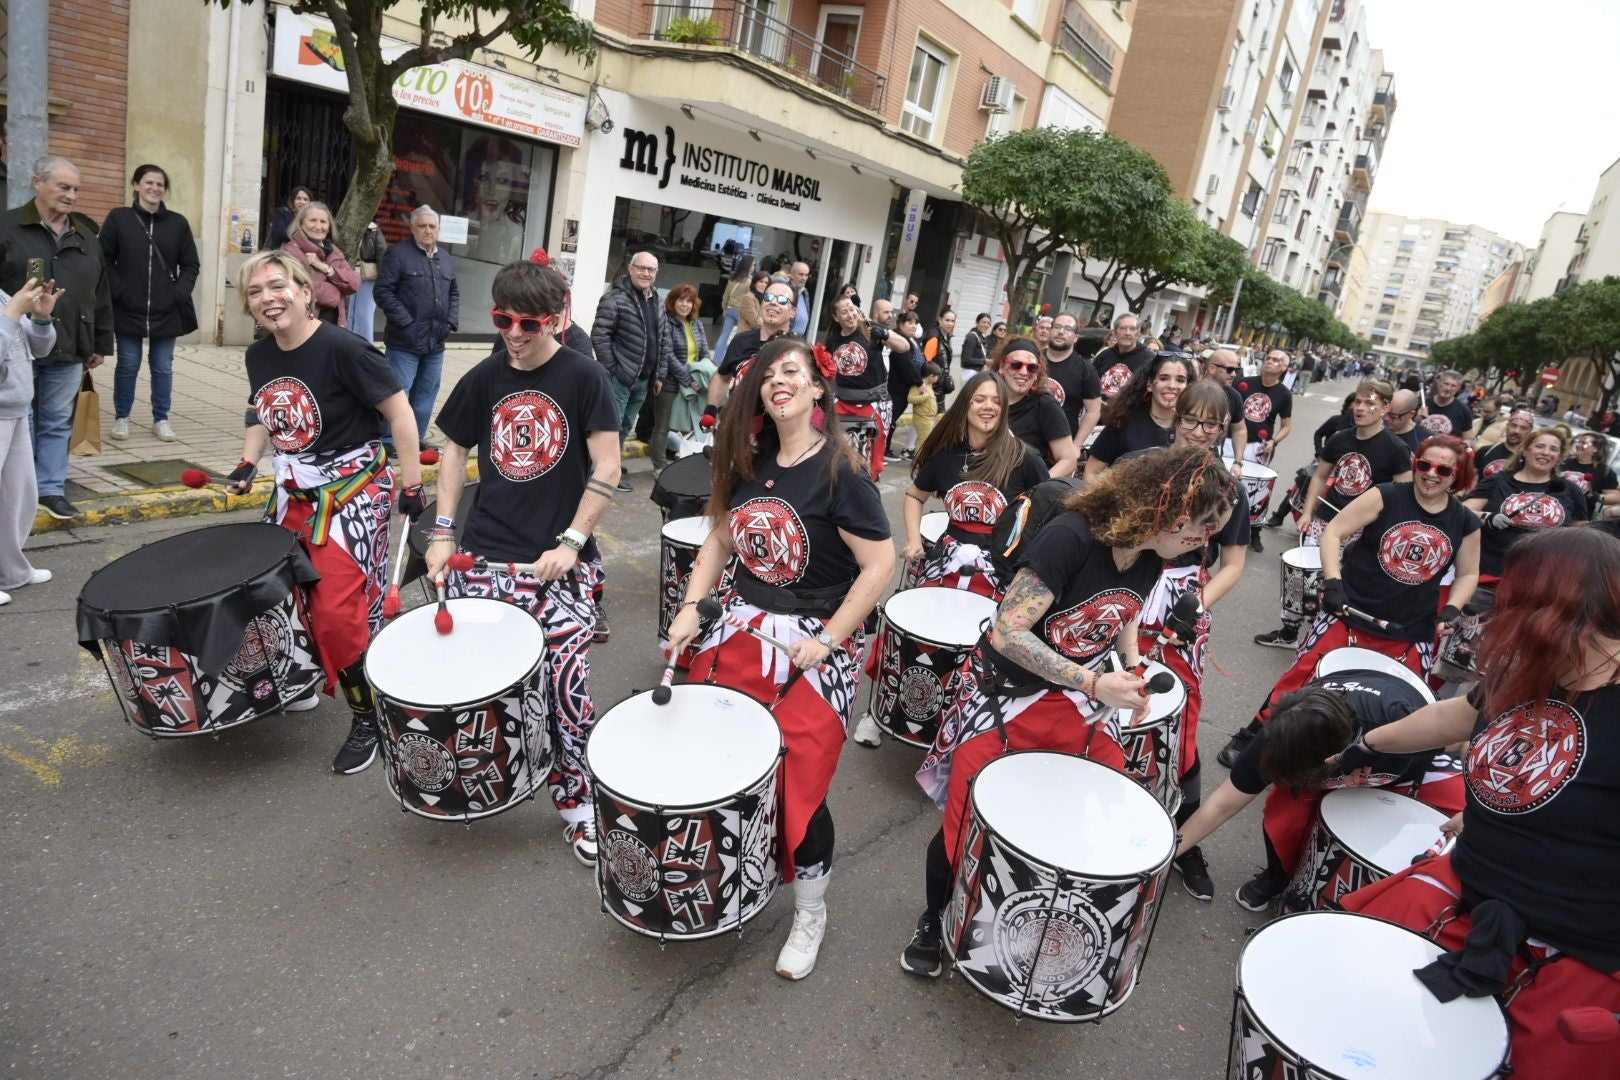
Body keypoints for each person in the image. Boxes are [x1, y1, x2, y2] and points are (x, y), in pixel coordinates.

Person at [901, 445, 1239, 977]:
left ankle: (1036, 923)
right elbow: (1008, 630)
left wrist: (1131, 664)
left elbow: (1123, 608)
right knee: (967, 820)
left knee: (1095, 809)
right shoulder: (1073, 537)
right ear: (1163, 508)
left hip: (1078, 697)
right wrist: (1094, 681)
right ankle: (933, 917)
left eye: (1211, 532)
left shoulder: (1155, 552)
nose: (1204, 542)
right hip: (1005, 694)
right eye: (1199, 528)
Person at [1336, 529, 1620, 1080]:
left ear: (1552, 605)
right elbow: (1455, 717)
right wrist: (1364, 745)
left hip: (1573, 950)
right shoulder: (1538, 667)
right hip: (1470, 890)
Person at [666, 337, 895, 980]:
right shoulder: (749, 459)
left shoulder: (841, 474)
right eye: (768, 376)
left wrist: (828, 640)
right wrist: (692, 603)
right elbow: (718, 537)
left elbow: (880, 565)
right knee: (717, 758)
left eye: (792, 371)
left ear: (819, 388)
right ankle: (728, 870)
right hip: (740, 629)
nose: (778, 382)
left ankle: (810, 911)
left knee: (800, 787)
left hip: (810, 647)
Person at [423, 259, 621, 864]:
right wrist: (442, 532)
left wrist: (570, 541)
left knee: (566, 693)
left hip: (554, 565)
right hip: (486, 558)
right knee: (485, 684)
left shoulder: (586, 378)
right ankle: (489, 778)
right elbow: (454, 451)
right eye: (503, 319)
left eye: (527, 323)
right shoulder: (485, 377)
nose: (513, 333)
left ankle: (579, 805)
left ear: (556, 318)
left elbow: (608, 466)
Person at [227, 250, 425, 774]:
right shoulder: (260, 356)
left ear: (305, 288)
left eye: (277, 286)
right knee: (279, 596)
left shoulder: (345, 349)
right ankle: (304, 679)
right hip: (291, 492)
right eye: (255, 292)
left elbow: (400, 413)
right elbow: (261, 409)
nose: (269, 299)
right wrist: (248, 461)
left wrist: (412, 481)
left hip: (351, 494)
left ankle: (368, 717)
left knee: (337, 611)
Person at [1224, 435, 1482, 765]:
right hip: (1350, 613)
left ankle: (1337, 760)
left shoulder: (1465, 522)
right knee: (1302, 680)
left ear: (1457, 475)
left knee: (1393, 703)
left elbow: (1468, 574)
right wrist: (1334, 583)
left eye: (1443, 469)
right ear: (1415, 464)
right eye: (1424, 465)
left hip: (1410, 630)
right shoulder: (1386, 495)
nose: (1431, 474)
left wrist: (1452, 608)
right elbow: (1334, 532)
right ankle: (1254, 737)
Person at [1116, 381, 1251, 900]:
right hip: (1128, 586)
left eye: (1211, 424)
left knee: (1181, 724)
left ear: (1222, 430)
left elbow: (1234, 562)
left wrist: (1197, 602)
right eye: (1191, 420)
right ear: (1175, 417)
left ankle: (1184, 837)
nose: (1199, 431)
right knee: (1106, 706)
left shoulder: (1227, 486)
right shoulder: (1143, 463)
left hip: (1181, 601)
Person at [1178, 668, 1465, 911]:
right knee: (1285, 820)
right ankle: (1278, 876)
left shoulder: (1403, 720)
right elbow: (1221, 804)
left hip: (1404, 766)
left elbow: (1469, 738)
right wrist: (1166, 855)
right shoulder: (1280, 736)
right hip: (1344, 752)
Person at [1253, 379, 1412, 647]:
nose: (1361, 408)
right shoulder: (1340, 439)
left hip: (1363, 533)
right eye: (1358, 402)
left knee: (1338, 587)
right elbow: (1319, 476)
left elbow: (1404, 494)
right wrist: (1306, 512)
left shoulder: (1396, 449)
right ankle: (1289, 631)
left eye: (1370, 403)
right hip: (1325, 522)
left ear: (1385, 408)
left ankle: (1323, 639)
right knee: (1302, 578)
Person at [0, 157, 113, 522]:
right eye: (63, 187)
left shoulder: (85, 235)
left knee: (57, 421)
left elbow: (100, 291)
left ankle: (50, 489)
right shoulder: (7, 227)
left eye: (76, 189)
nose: (71, 195)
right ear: (38, 183)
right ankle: (18, 488)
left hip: (69, 341)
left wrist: (99, 342)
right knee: (21, 420)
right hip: (18, 347)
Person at [100, 163, 200, 444]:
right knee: (128, 364)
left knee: (162, 366)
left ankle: (161, 418)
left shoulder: (177, 223)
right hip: (128, 308)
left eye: (160, 184)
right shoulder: (119, 218)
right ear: (136, 185)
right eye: (148, 182)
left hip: (166, 310)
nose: (154, 188)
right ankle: (122, 418)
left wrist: (178, 293)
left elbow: (191, 264)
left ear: (165, 190)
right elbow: (104, 258)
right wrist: (119, 290)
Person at [375, 204, 459, 449]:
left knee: (426, 394)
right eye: (422, 226)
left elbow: (453, 292)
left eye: (432, 226)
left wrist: (450, 322)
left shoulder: (445, 257)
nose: (428, 230)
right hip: (405, 342)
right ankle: (390, 440)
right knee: (398, 393)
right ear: (412, 228)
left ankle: (416, 438)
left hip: (436, 341)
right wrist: (407, 324)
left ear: (439, 230)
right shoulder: (398, 254)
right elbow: (383, 293)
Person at [0, 278, 62, 604]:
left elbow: (40, 348)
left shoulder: (3, 296)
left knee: (19, 495)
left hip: (17, 410)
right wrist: (12, 313)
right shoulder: (8, 304)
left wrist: (40, 318)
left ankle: (12, 570)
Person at [591, 250, 675, 489]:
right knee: (610, 428)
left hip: (644, 380)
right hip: (621, 378)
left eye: (651, 270)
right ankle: (599, 476)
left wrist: (659, 374)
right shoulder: (615, 298)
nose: (646, 273)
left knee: (625, 426)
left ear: (656, 274)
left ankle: (611, 469)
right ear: (631, 269)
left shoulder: (657, 301)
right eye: (641, 268)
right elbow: (599, 335)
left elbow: (663, 340)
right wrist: (612, 369)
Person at [1463, 426, 1587, 583]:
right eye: (1540, 446)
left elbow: (1583, 537)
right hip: (1491, 575)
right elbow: (1462, 512)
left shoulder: (1570, 490)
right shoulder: (1497, 481)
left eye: (1553, 449)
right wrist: (1488, 517)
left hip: (1544, 581)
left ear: (1559, 456)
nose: (1546, 452)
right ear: (1525, 450)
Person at [824, 293, 913, 479]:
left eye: (851, 309)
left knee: (870, 460)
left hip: (874, 404)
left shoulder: (870, 329)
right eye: (844, 312)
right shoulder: (832, 341)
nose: (850, 314)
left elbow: (905, 347)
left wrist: (886, 334)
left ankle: (865, 490)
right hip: (843, 404)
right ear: (836, 317)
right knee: (840, 454)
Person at [1082, 351, 1194, 480]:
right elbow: (1091, 472)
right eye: (1164, 378)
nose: (1172, 386)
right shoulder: (1123, 421)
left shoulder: (1195, 428)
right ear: (1150, 384)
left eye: (1180, 380)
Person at [703, 275, 795, 419]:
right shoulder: (741, 340)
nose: (773, 303)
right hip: (735, 424)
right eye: (769, 298)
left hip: (774, 433)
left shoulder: (796, 349)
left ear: (793, 312)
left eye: (782, 300)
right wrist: (710, 411)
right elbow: (722, 377)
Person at [992, 338, 1077, 477]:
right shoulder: (986, 398)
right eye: (1016, 365)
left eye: (1032, 367)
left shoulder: (1045, 405)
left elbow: (1068, 461)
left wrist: (1035, 490)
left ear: (1037, 373)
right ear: (1001, 366)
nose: (1024, 372)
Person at [651, 283, 705, 472]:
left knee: (684, 424)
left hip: (692, 382)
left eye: (689, 301)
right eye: (680, 300)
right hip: (670, 382)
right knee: (662, 426)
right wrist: (688, 379)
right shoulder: (667, 322)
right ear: (673, 302)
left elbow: (704, 353)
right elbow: (668, 354)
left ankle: (678, 455)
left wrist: (707, 373)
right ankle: (659, 466)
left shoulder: (696, 324)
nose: (684, 305)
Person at [279, 201, 359, 326]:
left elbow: (354, 283)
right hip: (303, 326)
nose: (318, 226)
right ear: (301, 223)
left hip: (335, 325)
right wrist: (337, 292)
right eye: (312, 220)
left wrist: (326, 268)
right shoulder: (290, 251)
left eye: (323, 222)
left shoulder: (334, 251)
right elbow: (297, 288)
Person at [1044, 312, 1103, 447]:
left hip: (1061, 445)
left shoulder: (1086, 370)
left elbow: (1093, 411)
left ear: (1076, 338)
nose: (1061, 332)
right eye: (1057, 327)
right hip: (1025, 438)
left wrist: (1076, 446)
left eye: (1068, 329)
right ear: (1050, 331)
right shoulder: (1032, 360)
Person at [1091, 312, 1155, 399]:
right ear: (1114, 333)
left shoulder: (1150, 360)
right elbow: (1090, 386)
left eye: (1132, 329)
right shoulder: (1104, 356)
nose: (1127, 333)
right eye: (1122, 328)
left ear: (1138, 334)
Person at [1202, 347, 1248, 469]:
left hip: (1213, 465)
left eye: (1236, 370)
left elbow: (1239, 430)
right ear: (1212, 368)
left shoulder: (1234, 396)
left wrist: (1237, 462)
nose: (1234, 374)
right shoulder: (1190, 391)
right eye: (1229, 369)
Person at [1560, 430, 1618, 519]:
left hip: (1578, 519)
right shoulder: (1564, 462)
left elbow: (1615, 496)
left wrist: (1598, 497)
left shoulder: (1604, 471)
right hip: (1553, 510)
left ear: (1596, 448)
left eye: (1583, 442)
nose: (1578, 445)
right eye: (1578, 442)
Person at [348, 221, 387, 342]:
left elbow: (382, 255)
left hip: (368, 278)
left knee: (364, 314)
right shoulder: (348, 227)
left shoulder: (373, 230)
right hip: (349, 275)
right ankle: (349, 342)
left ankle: (364, 345)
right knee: (350, 312)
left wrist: (382, 281)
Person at [712, 254, 756, 360]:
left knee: (724, 336)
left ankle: (716, 361)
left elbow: (725, 295)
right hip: (741, 311)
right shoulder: (750, 281)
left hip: (730, 309)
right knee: (740, 337)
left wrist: (724, 308)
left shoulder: (733, 278)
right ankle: (733, 360)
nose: (754, 267)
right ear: (748, 265)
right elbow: (749, 299)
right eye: (753, 265)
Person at [1420, 369, 1474, 441]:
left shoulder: (1464, 410)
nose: (1448, 388)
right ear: (1439, 384)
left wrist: (1466, 444)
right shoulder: (1422, 404)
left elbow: (1468, 438)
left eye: (1453, 386)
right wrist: (1418, 419)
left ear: (1458, 388)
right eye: (1446, 384)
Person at [921, 309, 955, 413]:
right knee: (928, 417)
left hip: (939, 384)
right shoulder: (934, 338)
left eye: (952, 321)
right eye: (947, 320)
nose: (950, 323)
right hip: (933, 387)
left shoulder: (945, 336)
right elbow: (926, 363)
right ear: (940, 320)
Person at [267, 185, 312, 250]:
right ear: (292, 199)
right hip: (282, 252)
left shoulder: (312, 217)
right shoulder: (282, 213)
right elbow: (280, 235)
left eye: (305, 199)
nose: (302, 202)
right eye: (298, 198)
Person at [1384, 388, 1423, 453]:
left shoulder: (1422, 440)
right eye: (1385, 412)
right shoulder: (1376, 426)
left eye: (1393, 416)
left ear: (1411, 414)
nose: (1386, 418)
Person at [789, 260, 812, 336]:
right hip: (786, 338)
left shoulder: (805, 292)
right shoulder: (786, 290)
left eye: (806, 275)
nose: (804, 278)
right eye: (801, 274)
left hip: (799, 339)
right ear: (792, 275)